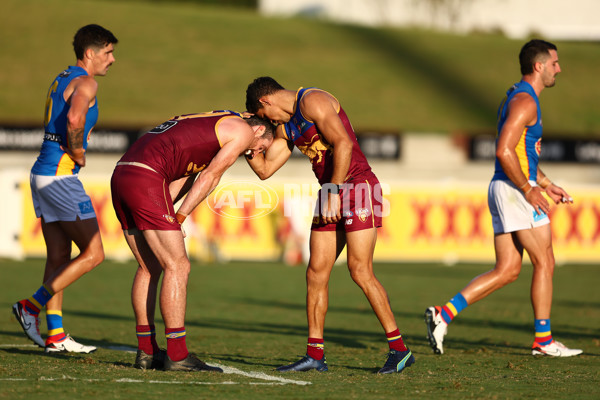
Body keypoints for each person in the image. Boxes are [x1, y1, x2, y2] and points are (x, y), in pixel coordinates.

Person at [245, 77, 415, 374]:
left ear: (266, 102)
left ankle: (399, 349)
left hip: (358, 187)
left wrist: (333, 193)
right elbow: (265, 170)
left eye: (264, 117)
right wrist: (249, 147)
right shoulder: (287, 127)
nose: (268, 123)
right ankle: (314, 355)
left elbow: (344, 143)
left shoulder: (312, 101)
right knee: (315, 273)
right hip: (330, 193)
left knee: (360, 270)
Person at [425, 40, 583, 358]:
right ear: (538, 66)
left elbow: (520, 154)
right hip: (514, 191)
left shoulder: (516, 96)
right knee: (545, 261)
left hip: (505, 186)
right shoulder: (526, 102)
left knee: (509, 269)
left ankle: (443, 315)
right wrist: (528, 189)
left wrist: (547, 183)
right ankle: (543, 340)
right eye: (554, 63)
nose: (559, 69)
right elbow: (503, 150)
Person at [110, 111, 274, 371]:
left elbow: (186, 174)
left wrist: (169, 215)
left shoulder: (212, 127)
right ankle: (176, 354)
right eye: (261, 147)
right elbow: (211, 176)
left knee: (148, 267)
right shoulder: (242, 132)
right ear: (258, 131)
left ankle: (146, 351)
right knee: (179, 266)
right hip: (147, 178)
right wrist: (179, 217)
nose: (253, 153)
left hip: (122, 175)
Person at [12, 24, 118, 353]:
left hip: (42, 173)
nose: (112, 60)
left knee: (59, 256)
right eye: (109, 52)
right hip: (60, 177)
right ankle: (30, 306)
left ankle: (55, 335)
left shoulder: (62, 77)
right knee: (95, 253)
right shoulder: (86, 82)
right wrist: (78, 152)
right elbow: (74, 120)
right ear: (91, 53)